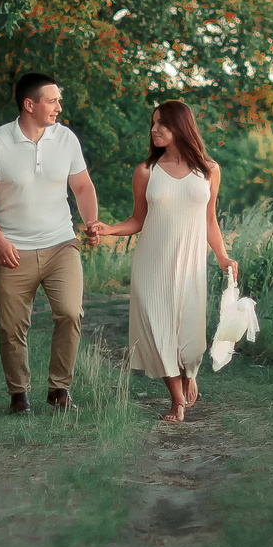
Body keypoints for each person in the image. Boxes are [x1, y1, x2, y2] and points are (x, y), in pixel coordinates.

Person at [0, 73, 103, 414]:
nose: (59, 106)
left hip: (61, 244)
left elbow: (83, 187)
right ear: (30, 105)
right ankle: (19, 395)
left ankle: (59, 390)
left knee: (71, 313)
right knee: (12, 326)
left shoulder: (66, 140)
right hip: (13, 249)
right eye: (52, 100)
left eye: (59, 99)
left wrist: (90, 222)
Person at [96, 100, 236, 422]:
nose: (154, 129)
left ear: (181, 127)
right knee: (157, 329)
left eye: (162, 124)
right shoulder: (146, 172)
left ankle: (189, 371)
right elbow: (137, 220)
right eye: (153, 123)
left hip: (189, 266)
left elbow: (209, 220)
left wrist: (223, 256)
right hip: (151, 265)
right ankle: (176, 401)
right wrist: (108, 229)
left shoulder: (208, 171)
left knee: (190, 337)